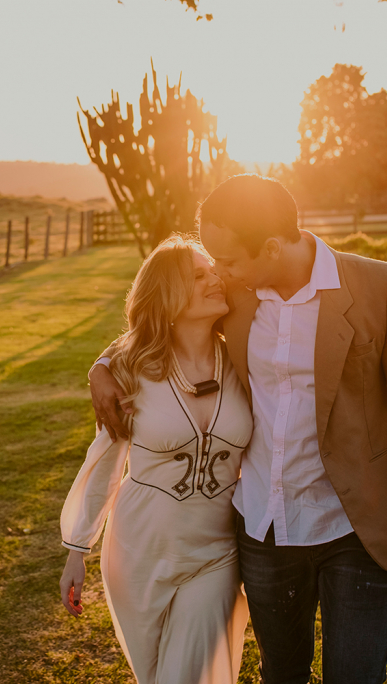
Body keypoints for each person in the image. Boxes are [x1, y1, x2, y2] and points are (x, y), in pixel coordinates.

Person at [89, 175, 387, 684]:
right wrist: (103, 365)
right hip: (263, 525)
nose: (218, 273)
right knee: (281, 674)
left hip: (357, 524)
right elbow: (162, 321)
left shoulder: (379, 286)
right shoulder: (237, 295)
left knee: (354, 675)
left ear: (271, 247)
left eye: (229, 260)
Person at [59, 236, 252, 684]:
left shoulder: (244, 358)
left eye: (212, 271)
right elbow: (105, 461)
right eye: (198, 276)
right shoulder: (129, 368)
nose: (214, 279)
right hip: (139, 552)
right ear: (167, 296)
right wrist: (77, 549)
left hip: (215, 552)